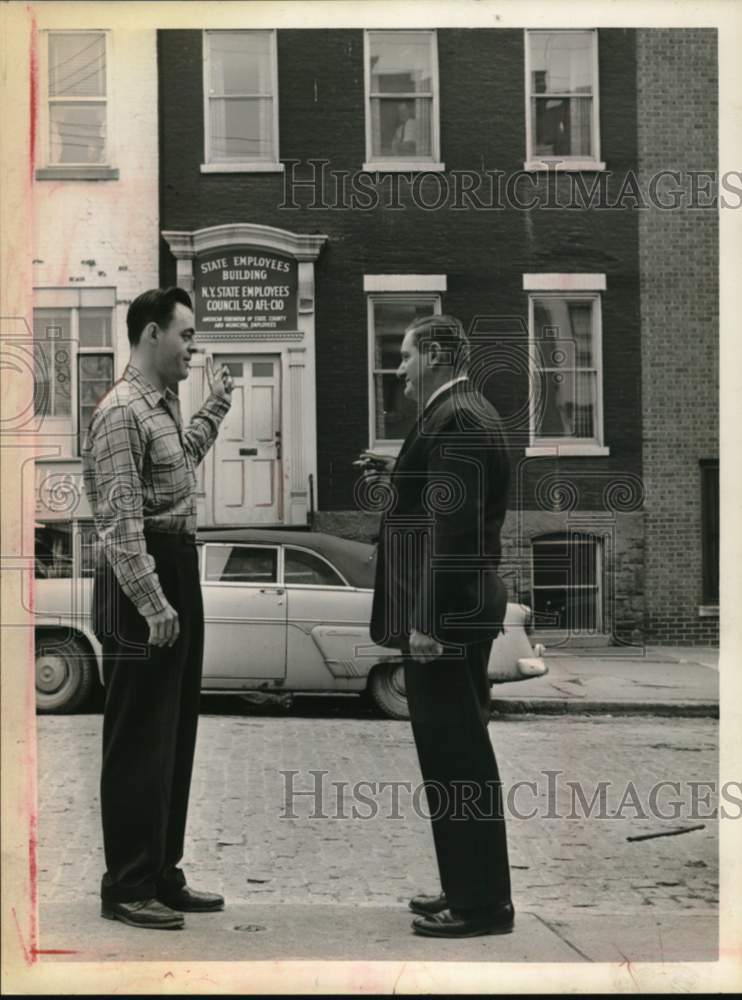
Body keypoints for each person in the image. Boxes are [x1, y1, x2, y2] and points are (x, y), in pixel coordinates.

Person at [82, 287, 232, 931]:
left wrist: (216, 407)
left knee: (173, 731)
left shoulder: (162, 407)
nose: (192, 348)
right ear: (150, 336)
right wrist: (153, 602)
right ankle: (127, 884)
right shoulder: (120, 412)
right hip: (138, 577)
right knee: (138, 735)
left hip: (173, 565)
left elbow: (179, 468)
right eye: (186, 335)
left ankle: (161, 872)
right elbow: (119, 523)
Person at [369, 314, 514, 938]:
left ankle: (481, 906)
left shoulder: (458, 418)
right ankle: (466, 887)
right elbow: (434, 504)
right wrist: (393, 480)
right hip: (456, 609)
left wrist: (424, 621)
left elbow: (450, 534)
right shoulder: (458, 412)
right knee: (453, 756)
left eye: (404, 356)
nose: (398, 368)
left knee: (458, 758)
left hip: (446, 616)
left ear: (434, 354)